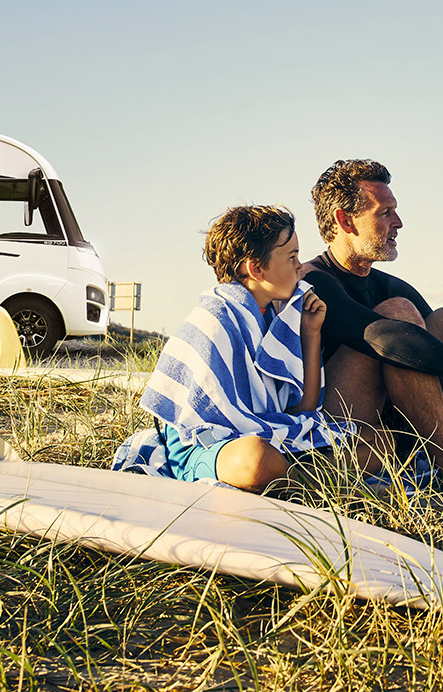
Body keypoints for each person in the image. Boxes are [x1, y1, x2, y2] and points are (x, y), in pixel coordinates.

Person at [111, 205, 379, 492]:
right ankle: (307, 479)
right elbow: (203, 428)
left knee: (378, 443)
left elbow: (304, 408)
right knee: (256, 459)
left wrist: (311, 333)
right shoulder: (211, 321)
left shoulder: (279, 319)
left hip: (275, 437)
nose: (301, 267)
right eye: (291, 257)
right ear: (255, 268)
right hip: (206, 450)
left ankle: (296, 480)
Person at [303, 160, 443, 504]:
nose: (398, 223)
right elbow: (386, 338)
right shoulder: (313, 280)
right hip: (349, 433)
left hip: (401, 426)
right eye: (385, 212)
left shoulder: (389, 285)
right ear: (345, 220)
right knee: (398, 317)